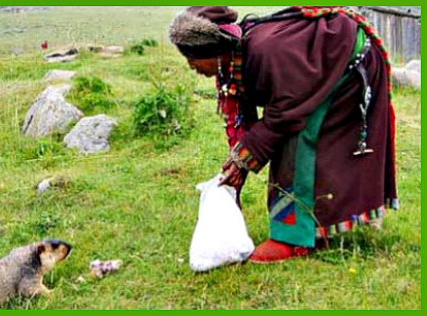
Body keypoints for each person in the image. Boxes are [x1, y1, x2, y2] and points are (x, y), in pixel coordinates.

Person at [169, 6, 397, 263]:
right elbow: (246, 121)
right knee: (306, 142)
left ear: (214, 51)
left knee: (297, 143)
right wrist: (238, 164)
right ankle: (319, 229)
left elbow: (286, 112)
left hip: (349, 63)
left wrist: (245, 160)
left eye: (193, 58)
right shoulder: (235, 59)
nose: (191, 66)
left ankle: (292, 239)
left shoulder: (266, 52)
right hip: (323, 67)